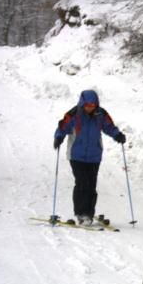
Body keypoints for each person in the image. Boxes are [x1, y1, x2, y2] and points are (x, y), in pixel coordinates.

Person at [53, 89, 126, 225]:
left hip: (94, 156)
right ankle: (81, 213)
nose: (90, 108)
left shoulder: (101, 114)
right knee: (82, 183)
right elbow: (62, 127)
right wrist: (58, 138)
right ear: (82, 103)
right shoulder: (74, 114)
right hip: (76, 155)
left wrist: (117, 135)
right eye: (87, 105)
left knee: (91, 185)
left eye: (92, 106)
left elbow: (109, 127)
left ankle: (89, 214)